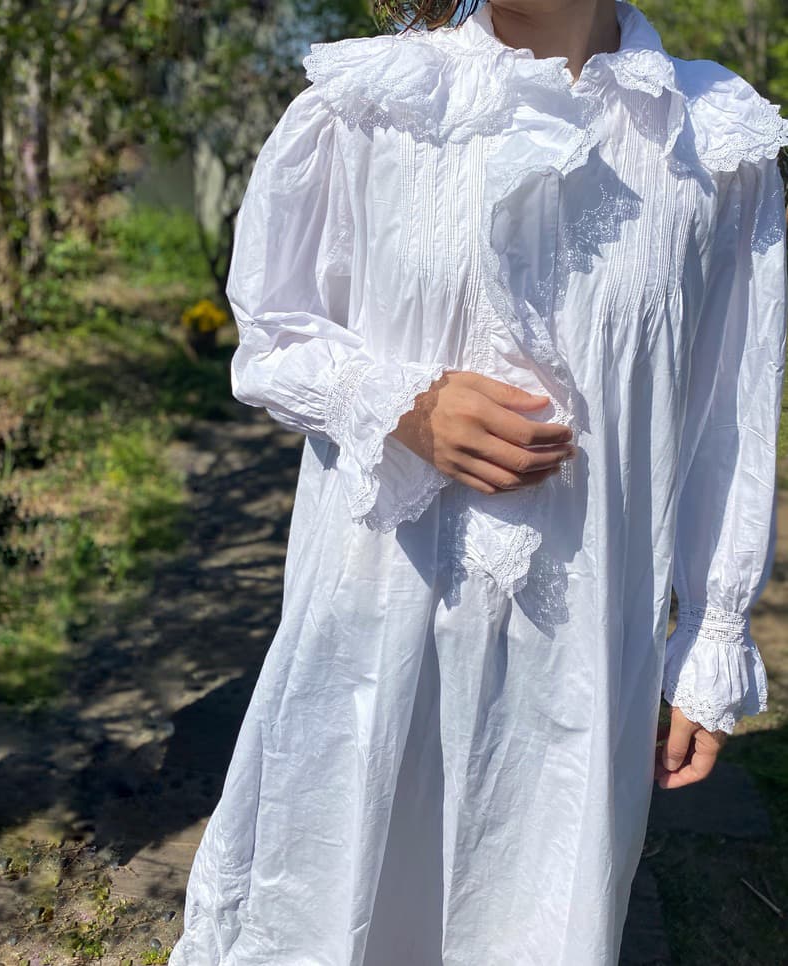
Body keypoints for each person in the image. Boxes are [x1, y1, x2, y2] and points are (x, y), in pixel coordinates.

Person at [169, 1, 788, 963]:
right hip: (372, 628)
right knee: (332, 901)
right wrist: (399, 404)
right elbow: (272, 335)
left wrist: (710, 634)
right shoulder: (371, 107)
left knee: (532, 904)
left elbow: (728, 412)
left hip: (579, 648)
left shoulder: (711, 143)